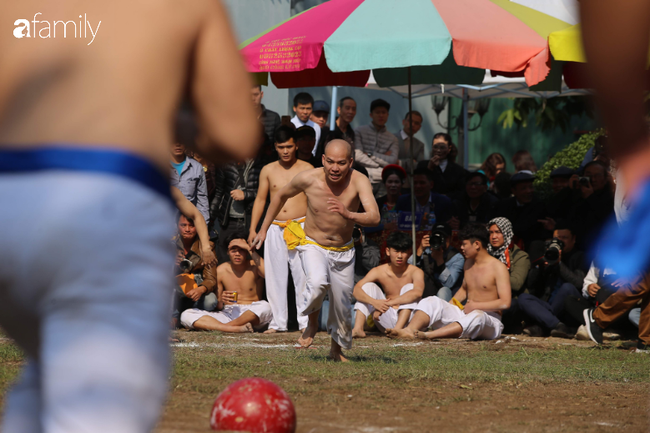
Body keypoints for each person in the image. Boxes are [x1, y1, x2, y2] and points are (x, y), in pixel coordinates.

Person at [0, 0, 258, 431]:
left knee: (45, 380)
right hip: (102, 202)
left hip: (9, 194)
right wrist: (169, 113)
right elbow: (236, 131)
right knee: (95, 414)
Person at [252, 139, 380, 362]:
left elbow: (374, 217)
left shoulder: (359, 181)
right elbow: (280, 196)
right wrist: (263, 229)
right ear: (322, 159)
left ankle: (335, 352)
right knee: (318, 282)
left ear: (350, 162)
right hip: (312, 243)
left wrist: (349, 214)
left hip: (344, 250)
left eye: (341, 163)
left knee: (341, 305)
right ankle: (311, 325)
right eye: (330, 162)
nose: (335, 168)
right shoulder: (308, 178)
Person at [386, 224, 511, 340]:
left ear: (477, 244)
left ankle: (429, 335)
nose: (461, 248)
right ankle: (410, 330)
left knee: (478, 316)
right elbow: (463, 289)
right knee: (433, 301)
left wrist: (477, 306)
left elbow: (505, 303)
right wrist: (447, 307)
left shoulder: (498, 267)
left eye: (464, 244)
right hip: (465, 313)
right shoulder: (468, 263)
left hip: (490, 320)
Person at [249, 125, 313, 333]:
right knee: (275, 276)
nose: (285, 151)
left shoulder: (307, 168)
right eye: (281, 147)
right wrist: (254, 229)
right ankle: (278, 323)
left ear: (296, 146)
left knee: (302, 276)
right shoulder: (268, 170)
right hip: (274, 227)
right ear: (275, 147)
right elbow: (260, 200)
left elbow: (315, 200)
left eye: (289, 146)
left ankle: (305, 323)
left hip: (301, 226)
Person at [180, 233, 272, 333]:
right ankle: (235, 328)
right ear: (227, 252)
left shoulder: (255, 265)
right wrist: (222, 300)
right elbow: (219, 305)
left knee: (266, 307)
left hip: (252, 312)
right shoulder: (221, 270)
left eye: (242, 250)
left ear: (247, 251)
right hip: (229, 312)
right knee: (186, 314)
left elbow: (269, 275)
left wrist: (248, 247)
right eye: (233, 250)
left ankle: (226, 328)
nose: (237, 254)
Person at [352, 232, 425, 337]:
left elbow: (417, 293)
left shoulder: (416, 271)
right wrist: (374, 302)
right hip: (385, 316)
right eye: (396, 251)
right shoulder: (379, 271)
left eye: (403, 252)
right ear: (388, 251)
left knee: (409, 287)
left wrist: (387, 304)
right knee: (368, 286)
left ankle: (397, 330)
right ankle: (358, 329)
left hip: (409, 320)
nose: (399, 256)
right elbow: (356, 290)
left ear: (409, 253)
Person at [520, 223, 586, 338]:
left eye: (564, 238)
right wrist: (540, 266)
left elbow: (578, 283)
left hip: (569, 307)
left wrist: (559, 264)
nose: (559, 242)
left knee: (567, 288)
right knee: (523, 297)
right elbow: (531, 285)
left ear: (573, 239)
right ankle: (557, 325)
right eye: (556, 239)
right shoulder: (548, 255)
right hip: (548, 305)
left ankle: (543, 326)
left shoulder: (580, 256)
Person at [211, 146, 268, 263]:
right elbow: (219, 193)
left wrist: (246, 194)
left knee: (252, 260)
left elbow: (268, 194)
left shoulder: (264, 164)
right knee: (224, 258)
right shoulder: (225, 162)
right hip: (229, 221)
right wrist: (210, 220)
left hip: (252, 222)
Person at [172, 214, 219, 326]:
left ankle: (187, 315)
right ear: (177, 226)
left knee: (210, 301)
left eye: (191, 226)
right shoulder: (169, 244)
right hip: (173, 286)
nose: (187, 229)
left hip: (196, 288)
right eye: (183, 225)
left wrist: (201, 289)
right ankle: (173, 317)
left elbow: (211, 278)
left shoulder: (207, 247)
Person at [490, 171, 549, 251]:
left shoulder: (539, 205)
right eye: (523, 188)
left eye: (530, 187)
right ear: (514, 191)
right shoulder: (503, 206)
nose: (528, 191)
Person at [353, 99, 400, 195]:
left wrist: (370, 155)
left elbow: (392, 161)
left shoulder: (393, 138)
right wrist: (379, 165)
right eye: (377, 112)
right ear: (371, 115)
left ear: (388, 115)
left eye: (383, 112)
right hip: (361, 178)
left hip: (382, 181)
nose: (381, 115)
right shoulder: (359, 131)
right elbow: (357, 156)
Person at [395, 168, 454, 242]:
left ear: (431, 184)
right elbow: (398, 223)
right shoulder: (402, 200)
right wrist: (419, 221)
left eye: (422, 183)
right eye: (415, 183)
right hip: (408, 241)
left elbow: (446, 226)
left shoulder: (443, 201)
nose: (418, 186)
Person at [411, 224, 465, 301]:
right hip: (427, 291)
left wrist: (439, 260)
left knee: (443, 291)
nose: (440, 241)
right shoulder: (426, 251)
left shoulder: (456, 257)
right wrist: (420, 250)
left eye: (444, 238)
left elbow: (449, 284)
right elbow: (407, 271)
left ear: (450, 238)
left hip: (446, 296)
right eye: (437, 238)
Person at [365, 165, 405, 262]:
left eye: (396, 182)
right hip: (379, 247)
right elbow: (366, 227)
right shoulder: (377, 203)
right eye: (390, 182)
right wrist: (384, 226)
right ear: (384, 183)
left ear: (402, 184)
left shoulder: (408, 203)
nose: (393, 185)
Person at [487, 217, 530, 296]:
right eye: (491, 233)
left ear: (506, 233)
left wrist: (491, 275)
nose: (493, 236)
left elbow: (516, 284)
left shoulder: (520, 256)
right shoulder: (486, 253)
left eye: (498, 232)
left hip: (513, 298)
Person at [417, 133, 467, 198]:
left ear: (449, 148)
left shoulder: (458, 170)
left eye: (442, 147)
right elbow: (418, 186)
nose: (438, 150)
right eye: (435, 147)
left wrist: (444, 197)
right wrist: (429, 169)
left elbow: (461, 192)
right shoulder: (422, 165)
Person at [170, 141, 210, 223]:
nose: (178, 144)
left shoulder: (196, 167)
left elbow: (202, 199)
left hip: (189, 223)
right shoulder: (159, 165)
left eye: (181, 140)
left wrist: (204, 224)